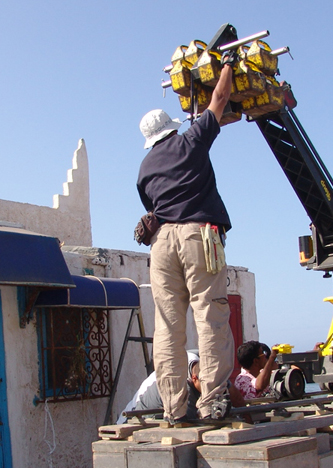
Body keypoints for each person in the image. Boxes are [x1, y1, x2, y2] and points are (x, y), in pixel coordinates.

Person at [136, 52, 237, 423]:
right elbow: (220, 101)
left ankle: (174, 408)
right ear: (171, 128)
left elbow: (154, 208)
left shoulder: (145, 167)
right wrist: (227, 65)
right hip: (199, 235)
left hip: (161, 245)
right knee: (210, 317)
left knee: (168, 326)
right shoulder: (191, 141)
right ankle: (210, 404)